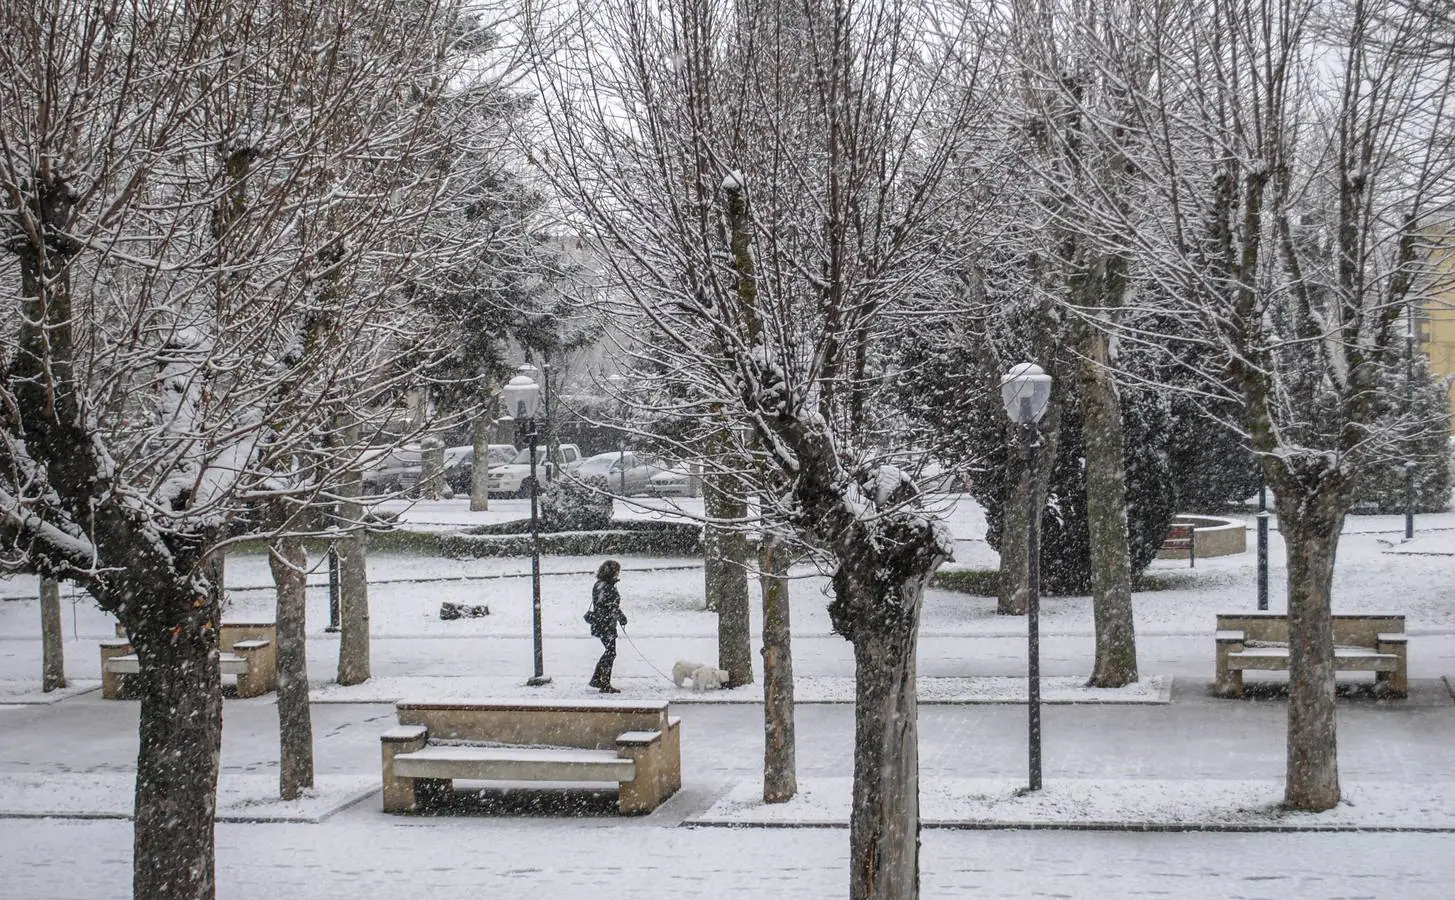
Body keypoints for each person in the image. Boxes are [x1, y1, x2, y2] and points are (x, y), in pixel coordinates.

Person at [586, 559, 627, 693]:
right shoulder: (603, 586)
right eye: (616, 571)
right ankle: (603, 683)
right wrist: (617, 615)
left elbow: (611, 605)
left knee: (610, 652)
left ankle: (599, 680)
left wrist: (619, 616)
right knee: (610, 653)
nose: (618, 574)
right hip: (604, 624)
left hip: (606, 624)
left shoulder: (605, 585)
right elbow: (605, 605)